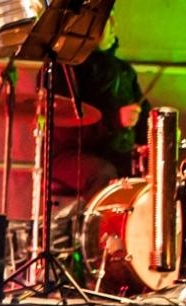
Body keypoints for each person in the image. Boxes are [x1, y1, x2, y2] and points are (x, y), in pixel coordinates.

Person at [50, 18, 149, 197]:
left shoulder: (124, 71)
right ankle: (97, 225)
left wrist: (157, 134)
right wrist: (115, 121)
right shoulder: (64, 68)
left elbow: (143, 120)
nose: (113, 24)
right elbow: (64, 131)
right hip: (68, 155)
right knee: (103, 173)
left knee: (149, 174)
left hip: (113, 154)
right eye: (107, 17)